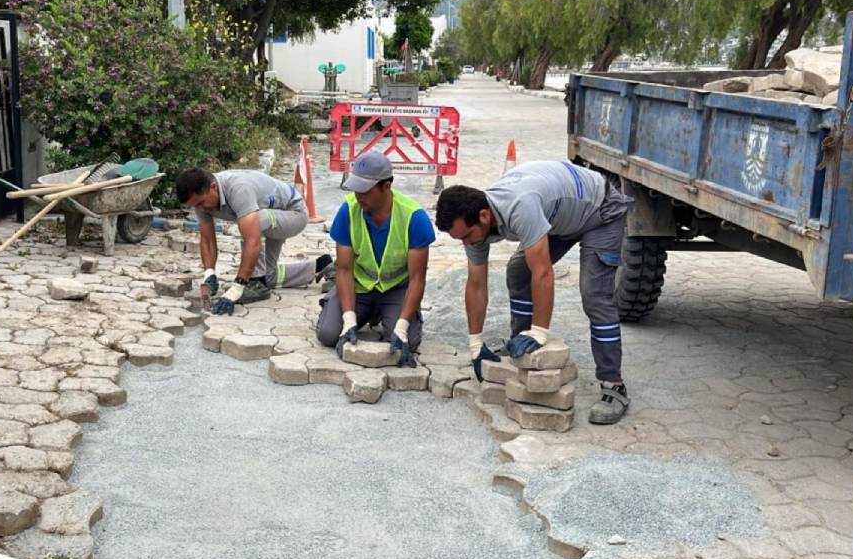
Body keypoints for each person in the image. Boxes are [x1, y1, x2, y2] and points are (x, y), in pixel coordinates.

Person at [434, 161, 633, 425]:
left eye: (467, 236)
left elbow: (543, 274)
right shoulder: (474, 225)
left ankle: (613, 384)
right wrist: (475, 345)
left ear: (483, 216)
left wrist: (540, 332)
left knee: (594, 294)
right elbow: (476, 284)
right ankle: (521, 347)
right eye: (460, 239)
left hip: (600, 210)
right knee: (518, 272)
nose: (466, 243)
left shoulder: (520, 207)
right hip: (561, 217)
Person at [315, 152, 435, 367]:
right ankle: (357, 314)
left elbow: (417, 279)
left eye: (365, 190)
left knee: (407, 342)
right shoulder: (348, 211)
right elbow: (344, 270)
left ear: (386, 186)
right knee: (328, 334)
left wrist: (402, 326)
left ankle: (392, 316)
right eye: (355, 189)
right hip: (359, 287)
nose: (358, 196)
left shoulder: (414, 217)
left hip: (396, 289)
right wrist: (348, 320)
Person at [175, 168, 331, 315]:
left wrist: (238, 287)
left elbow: (253, 241)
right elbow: (207, 239)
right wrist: (209, 274)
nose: (201, 209)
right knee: (268, 277)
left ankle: (255, 283)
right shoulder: (202, 200)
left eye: (201, 203)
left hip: (293, 214)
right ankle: (321, 265)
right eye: (195, 206)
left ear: (213, 187)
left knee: (253, 223)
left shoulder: (238, 189)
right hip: (270, 219)